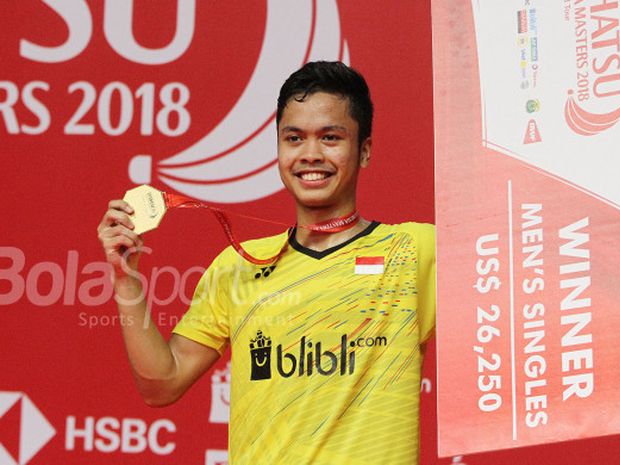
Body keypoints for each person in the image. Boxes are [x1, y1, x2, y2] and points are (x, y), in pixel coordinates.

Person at [97, 61, 436, 464]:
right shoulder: (238, 265)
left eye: (331, 138)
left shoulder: (416, 250)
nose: (311, 154)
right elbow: (161, 385)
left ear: (364, 150)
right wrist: (125, 279)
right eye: (294, 138)